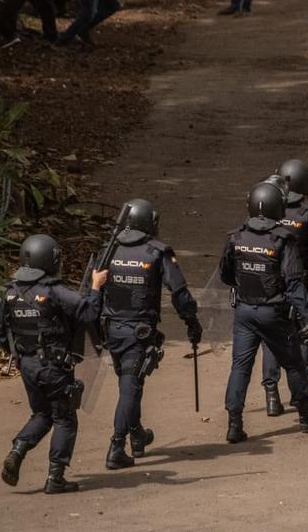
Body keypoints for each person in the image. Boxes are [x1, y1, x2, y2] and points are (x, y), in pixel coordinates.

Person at [221, 181, 308, 442]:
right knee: (293, 362)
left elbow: (226, 274)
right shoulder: (283, 239)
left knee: (240, 366)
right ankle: (307, 412)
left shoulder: (236, 237)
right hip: (274, 313)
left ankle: (234, 424)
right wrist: (306, 318)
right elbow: (294, 282)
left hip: (244, 312)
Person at [0, 234, 107, 494]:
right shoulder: (53, 290)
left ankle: (18, 450)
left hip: (28, 365)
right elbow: (89, 313)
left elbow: (0, 329)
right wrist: (96, 287)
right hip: (54, 367)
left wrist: (19, 354)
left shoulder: (10, 292)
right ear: (50, 260)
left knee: (42, 414)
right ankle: (55, 478)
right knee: (65, 418)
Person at [100, 200, 203, 470]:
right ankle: (116, 446)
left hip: (111, 329)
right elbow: (178, 291)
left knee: (129, 385)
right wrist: (191, 321)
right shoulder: (157, 252)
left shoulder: (108, 250)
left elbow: (93, 288)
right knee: (130, 388)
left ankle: (137, 436)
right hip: (138, 331)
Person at [259, 161, 308, 417]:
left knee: (271, 339)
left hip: (267, 286)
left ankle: (271, 395)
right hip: (297, 283)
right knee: (305, 334)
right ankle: (299, 395)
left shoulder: (264, 208)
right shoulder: (307, 213)